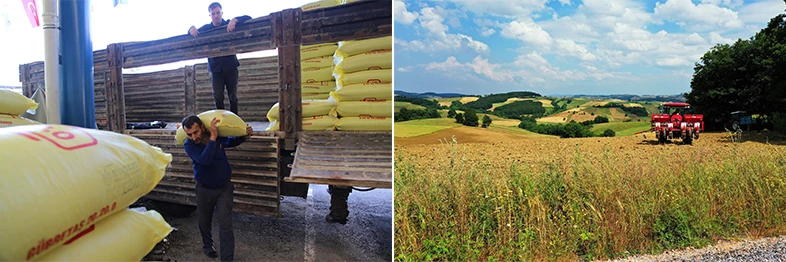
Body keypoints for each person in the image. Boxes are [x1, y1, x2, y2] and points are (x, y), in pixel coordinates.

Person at [181, 115, 253, 261]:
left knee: (226, 225)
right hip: (204, 189)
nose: (193, 137)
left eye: (196, 132)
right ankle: (208, 246)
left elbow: (230, 142)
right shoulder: (189, 145)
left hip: (224, 188)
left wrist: (244, 136)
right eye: (189, 134)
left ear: (202, 127)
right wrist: (213, 138)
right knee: (204, 221)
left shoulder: (216, 137)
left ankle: (227, 259)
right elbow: (204, 160)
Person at [188, 2, 252, 116]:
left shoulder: (229, 24)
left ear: (222, 13)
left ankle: (234, 120)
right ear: (210, 15)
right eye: (213, 14)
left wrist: (235, 20)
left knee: (233, 96)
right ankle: (221, 121)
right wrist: (191, 28)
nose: (216, 15)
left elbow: (249, 18)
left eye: (218, 13)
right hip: (215, 69)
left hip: (231, 67)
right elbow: (191, 33)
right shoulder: (206, 29)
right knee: (218, 97)